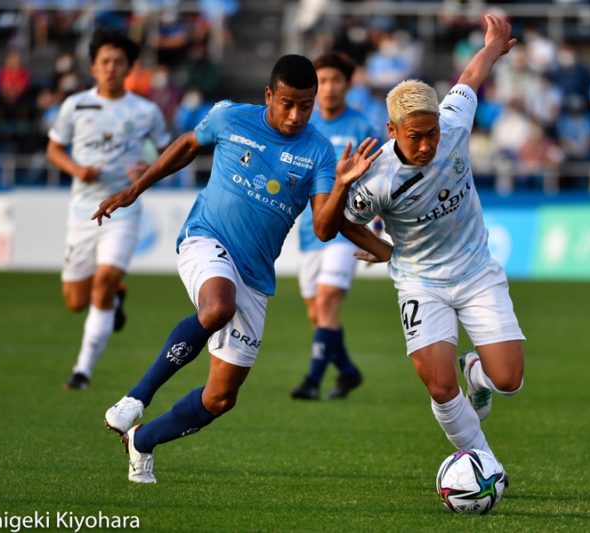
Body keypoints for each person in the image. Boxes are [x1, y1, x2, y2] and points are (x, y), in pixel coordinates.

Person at [95, 54, 381, 483]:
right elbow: (189, 145)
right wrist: (136, 189)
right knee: (217, 308)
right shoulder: (231, 117)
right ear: (269, 95)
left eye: (306, 105)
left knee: (221, 398)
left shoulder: (320, 151)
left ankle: (142, 439)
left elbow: (324, 228)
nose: (295, 114)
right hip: (206, 239)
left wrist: (341, 183)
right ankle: (137, 397)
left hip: (255, 274)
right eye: (287, 103)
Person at [338, 14, 523, 476]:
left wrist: (493, 47)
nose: (426, 144)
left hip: (477, 272)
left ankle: (477, 372)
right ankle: (484, 462)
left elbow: (470, 78)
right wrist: (383, 251)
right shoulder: (377, 178)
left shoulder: (455, 126)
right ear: (392, 130)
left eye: (432, 133)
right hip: (421, 283)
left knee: (510, 380)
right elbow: (342, 220)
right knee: (439, 385)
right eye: (416, 136)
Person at [46, 28, 171, 391]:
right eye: (105, 61)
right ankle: (117, 295)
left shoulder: (145, 111)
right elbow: (53, 148)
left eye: (119, 62)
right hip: (82, 213)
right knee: (74, 301)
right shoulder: (75, 105)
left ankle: (82, 371)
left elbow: (167, 154)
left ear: (130, 67)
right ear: (94, 67)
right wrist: (76, 169)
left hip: (123, 211)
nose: (112, 68)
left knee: (102, 282)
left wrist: (146, 171)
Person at [290, 51, 379, 401]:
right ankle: (348, 371)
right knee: (318, 313)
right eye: (322, 81)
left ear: (347, 84)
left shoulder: (362, 127)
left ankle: (311, 381)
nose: (328, 88)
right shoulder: (305, 129)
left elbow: (381, 176)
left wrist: (379, 217)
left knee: (327, 302)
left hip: (347, 229)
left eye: (335, 80)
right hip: (311, 231)